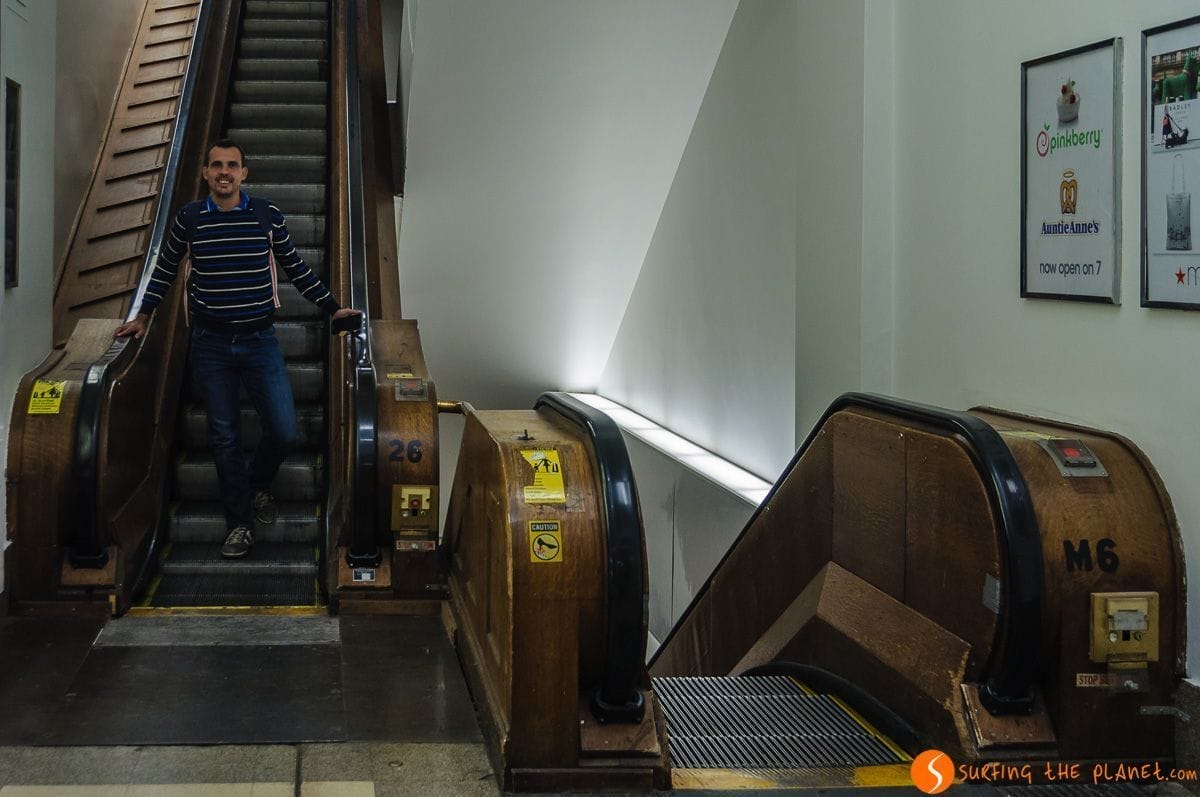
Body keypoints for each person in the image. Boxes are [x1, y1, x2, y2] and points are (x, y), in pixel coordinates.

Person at [115, 138, 361, 559]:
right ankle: (239, 524)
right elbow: (165, 269)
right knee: (224, 437)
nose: (224, 172)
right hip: (210, 345)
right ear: (206, 173)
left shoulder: (266, 215)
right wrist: (143, 315)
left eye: (232, 165)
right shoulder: (189, 219)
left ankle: (257, 484)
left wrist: (333, 309)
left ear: (244, 173)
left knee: (284, 431)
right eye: (216, 165)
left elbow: (296, 268)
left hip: (259, 341)